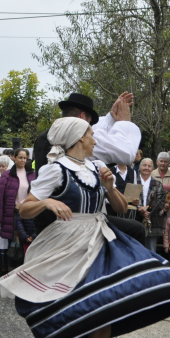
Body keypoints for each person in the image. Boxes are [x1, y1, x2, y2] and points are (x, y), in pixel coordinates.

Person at [0, 118, 170, 338]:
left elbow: (118, 207)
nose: (94, 136)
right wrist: (47, 201)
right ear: (76, 139)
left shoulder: (96, 167)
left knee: (101, 327)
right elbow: (24, 208)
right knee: (59, 322)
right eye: (89, 132)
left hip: (97, 242)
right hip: (63, 247)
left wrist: (111, 187)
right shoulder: (55, 169)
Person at [31, 92, 146, 245]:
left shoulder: (48, 137)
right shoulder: (60, 165)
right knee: (136, 231)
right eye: (90, 125)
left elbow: (123, 207)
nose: (95, 141)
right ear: (82, 119)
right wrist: (124, 124)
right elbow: (126, 152)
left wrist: (110, 188)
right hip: (68, 226)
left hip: (47, 222)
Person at [0, 149, 36, 271]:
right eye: (20, 157)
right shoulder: (6, 175)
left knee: (28, 240)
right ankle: (12, 270)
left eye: (24, 158)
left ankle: (26, 270)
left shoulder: (33, 174)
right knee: (14, 243)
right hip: (12, 213)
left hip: (29, 212)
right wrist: (1, 216)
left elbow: (38, 193)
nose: (22, 160)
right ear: (15, 158)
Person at [134, 158, 165, 253]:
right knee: (137, 249)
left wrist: (148, 208)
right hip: (136, 218)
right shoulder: (134, 182)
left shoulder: (158, 184)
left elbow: (161, 201)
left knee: (151, 249)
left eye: (149, 166)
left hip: (153, 219)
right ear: (139, 167)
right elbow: (129, 198)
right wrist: (139, 208)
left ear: (152, 169)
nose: (146, 168)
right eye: (144, 165)